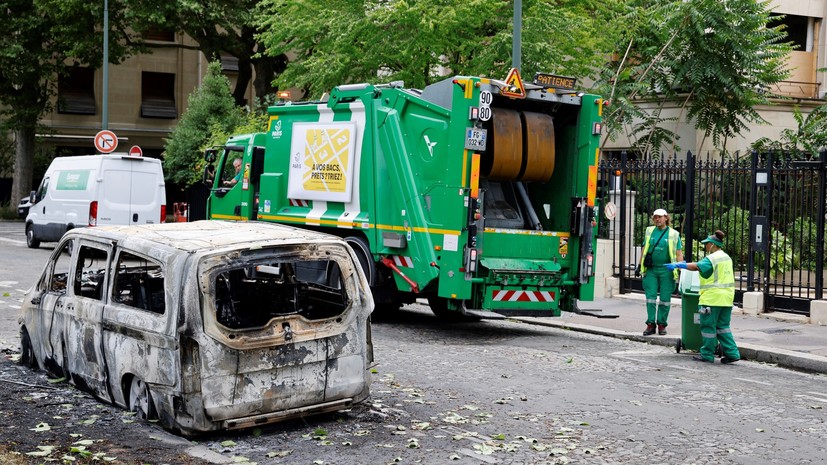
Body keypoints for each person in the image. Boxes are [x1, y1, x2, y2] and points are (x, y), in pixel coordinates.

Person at [666, 230, 740, 364]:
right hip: (727, 298)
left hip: (712, 298)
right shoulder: (726, 257)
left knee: (708, 327)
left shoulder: (712, 258)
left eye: (707, 244)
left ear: (713, 244)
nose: (706, 246)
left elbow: (698, 267)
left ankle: (707, 354)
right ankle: (732, 353)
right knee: (723, 327)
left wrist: (679, 264)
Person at [639, 208, 683, 336]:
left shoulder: (673, 234)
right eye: (655, 217)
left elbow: (678, 253)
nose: (657, 219)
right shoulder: (649, 231)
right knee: (650, 298)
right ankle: (650, 324)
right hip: (651, 269)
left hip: (666, 270)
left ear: (666, 218)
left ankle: (662, 324)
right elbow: (644, 248)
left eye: (659, 217)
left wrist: (681, 269)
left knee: (665, 299)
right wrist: (639, 265)